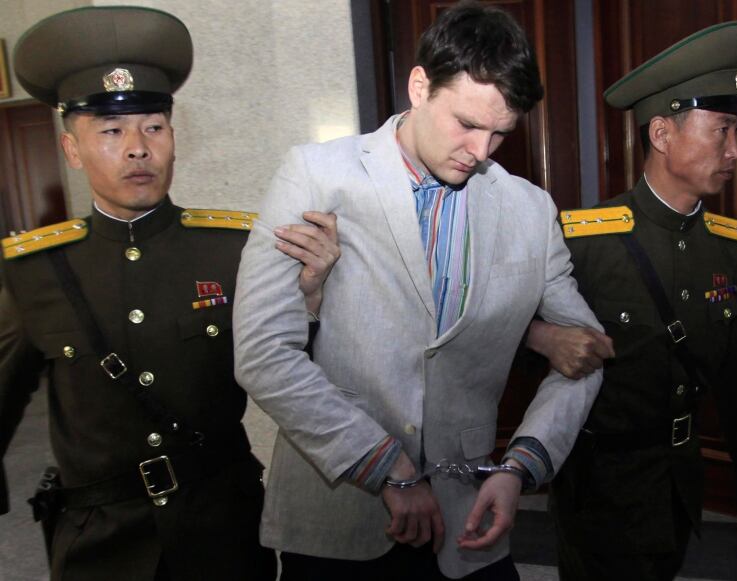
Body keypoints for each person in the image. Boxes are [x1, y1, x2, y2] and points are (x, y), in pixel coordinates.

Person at [233, 2, 604, 579]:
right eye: (467, 123)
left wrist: (520, 467)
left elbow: (587, 351)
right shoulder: (317, 174)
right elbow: (262, 352)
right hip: (339, 518)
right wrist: (389, 467)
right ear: (419, 86)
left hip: (469, 524)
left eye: (500, 134)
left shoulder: (529, 210)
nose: (480, 153)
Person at [0, 6, 339, 581]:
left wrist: (310, 301)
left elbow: (295, 374)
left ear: (173, 139)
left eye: (153, 127)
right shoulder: (34, 271)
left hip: (221, 532)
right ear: (72, 150)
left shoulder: (234, 248)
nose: (138, 148)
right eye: (111, 131)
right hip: (99, 549)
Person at [527, 21, 737, 581]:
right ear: (662, 134)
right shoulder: (584, 240)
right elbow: (508, 341)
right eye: (723, 130)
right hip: (598, 490)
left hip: (678, 486)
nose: (736, 150)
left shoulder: (728, 246)